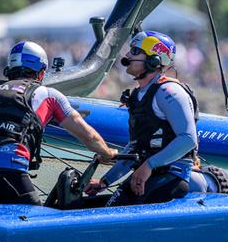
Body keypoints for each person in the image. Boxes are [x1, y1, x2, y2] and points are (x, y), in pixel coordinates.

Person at [0, 41, 116, 205]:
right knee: (39, 224)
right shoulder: (49, 95)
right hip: (11, 173)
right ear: (41, 72)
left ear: (9, 69)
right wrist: (107, 153)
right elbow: (88, 136)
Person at [85, 30, 207, 205]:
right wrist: (105, 182)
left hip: (171, 176)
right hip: (146, 173)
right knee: (108, 207)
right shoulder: (138, 94)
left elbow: (188, 139)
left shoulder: (169, 92)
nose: (127, 54)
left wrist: (149, 165)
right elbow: (136, 147)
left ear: (154, 60)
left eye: (134, 51)